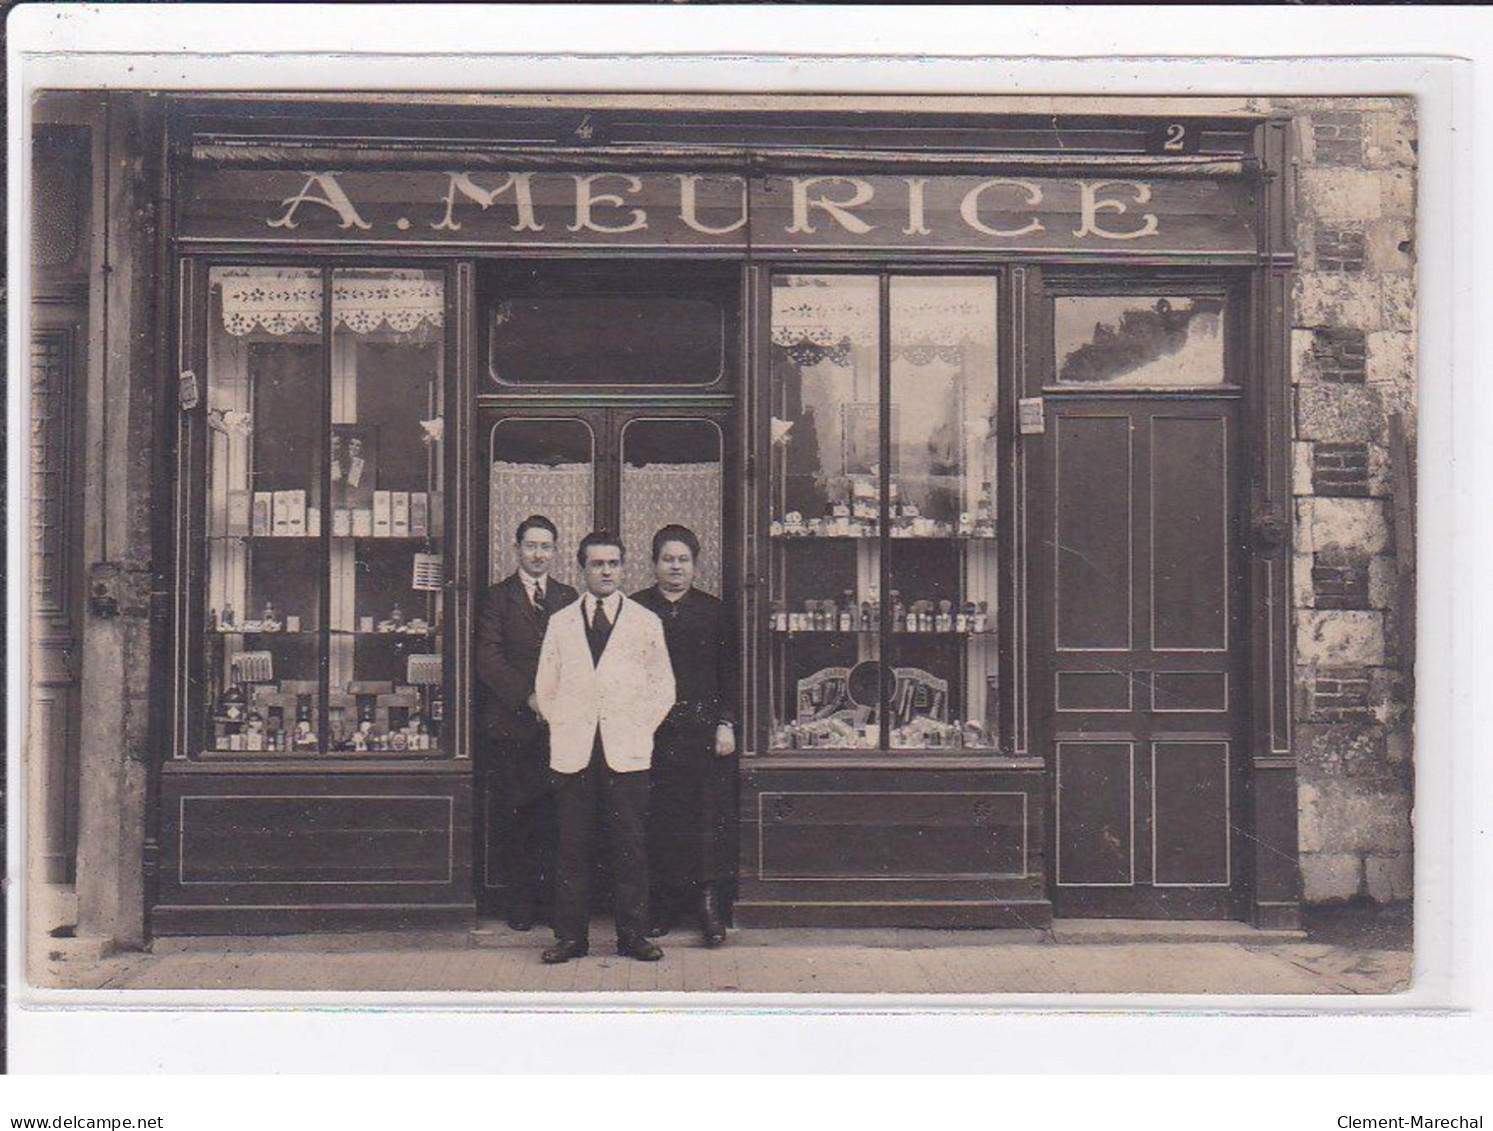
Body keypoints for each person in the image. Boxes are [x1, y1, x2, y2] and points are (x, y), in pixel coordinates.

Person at [534, 531, 676, 964]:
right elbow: (546, 686)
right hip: (575, 750)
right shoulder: (560, 621)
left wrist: (635, 727)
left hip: (626, 750)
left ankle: (632, 936)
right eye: (597, 564)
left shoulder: (645, 621)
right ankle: (570, 938)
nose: (606, 571)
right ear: (582, 569)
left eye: (613, 563)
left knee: (629, 845)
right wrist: (567, 723)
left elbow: (663, 688)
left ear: (624, 566)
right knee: (571, 846)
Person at [632, 524, 738, 948]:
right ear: (654, 564)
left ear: (695, 565)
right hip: (651, 733)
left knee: (705, 820)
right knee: (656, 819)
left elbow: (729, 672)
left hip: (702, 734)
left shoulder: (715, 611)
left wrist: (726, 721)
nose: (675, 567)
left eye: (683, 560)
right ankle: (661, 905)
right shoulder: (636, 609)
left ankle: (707, 906)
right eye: (667, 559)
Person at [475, 515, 578, 931]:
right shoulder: (497, 598)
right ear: (516, 549)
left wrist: (556, 701)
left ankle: (554, 903)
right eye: (531, 546)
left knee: (557, 817)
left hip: (559, 728)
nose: (539, 554)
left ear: (555, 551)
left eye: (546, 547)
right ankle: (520, 903)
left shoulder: (568, 596)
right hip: (513, 725)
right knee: (516, 815)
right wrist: (528, 697)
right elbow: (489, 657)